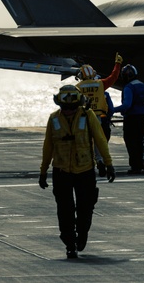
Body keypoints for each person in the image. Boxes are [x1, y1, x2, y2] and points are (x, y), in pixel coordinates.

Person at [39, 85, 115, 259]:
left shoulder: (88, 116)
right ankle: (70, 244)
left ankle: (82, 233)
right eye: (65, 108)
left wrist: (108, 163)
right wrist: (43, 172)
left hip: (85, 170)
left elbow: (100, 139)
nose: (68, 111)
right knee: (64, 210)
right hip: (61, 171)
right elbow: (48, 146)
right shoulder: (54, 119)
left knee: (85, 208)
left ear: (78, 104)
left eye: (72, 108)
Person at [76, 53, 123, 177]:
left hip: (83, 117)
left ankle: (87, 164)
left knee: (85, 141)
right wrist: (118, 64)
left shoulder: (77, 87)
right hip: (98, 117)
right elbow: (113, 77)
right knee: (99, 141)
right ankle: (100, 160)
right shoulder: (100, 84)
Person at [112, 64, 144, 175]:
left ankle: (134, 166)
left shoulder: (129, 87)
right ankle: (139, 165)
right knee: (139, 142)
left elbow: (127, 105)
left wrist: (113, 110)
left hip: (131, 119)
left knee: (131, 142)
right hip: (142, 118)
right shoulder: (143, 86)